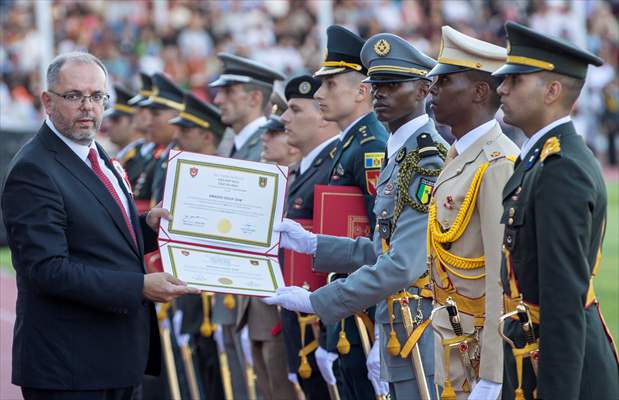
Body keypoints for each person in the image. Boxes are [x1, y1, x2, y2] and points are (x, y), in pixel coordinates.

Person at [0, 51, 199, 400]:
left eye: (97, 97)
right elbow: (48, 269)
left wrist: (147, 226)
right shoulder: (35, 168)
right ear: (47, 100)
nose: (88, 107)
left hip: (114, 359)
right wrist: (138, 286)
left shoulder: (92, 151)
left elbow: (97, 232)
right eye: (74, 96)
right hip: (70, 368)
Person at [267, 33, 447, 400]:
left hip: (416, 328)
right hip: (397, 323)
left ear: (423, 90)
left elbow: (402, 264)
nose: (381, 93)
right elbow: (383, 249)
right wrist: (315, 244)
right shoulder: (401, 151)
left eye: (393, 84)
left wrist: (320, 301)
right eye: (376, 83)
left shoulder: (424, 158)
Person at [492, 21, 619, 400]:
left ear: (551, 90)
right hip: (531, 358)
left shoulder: (562, 169)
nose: (501, 88)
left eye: (515, 80)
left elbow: (563, 304)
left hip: (562, 374)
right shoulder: (540, 159)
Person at [425, 26, 519, 400]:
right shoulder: (460, 155)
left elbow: (501, 276)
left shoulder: (497, 163)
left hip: (478, 353)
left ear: (480, 92)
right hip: (454, 343)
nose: (432, 90)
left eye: (444, 81)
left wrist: (493, 375)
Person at [211, 53, 295, 400]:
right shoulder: (238, 144)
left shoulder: (262, 145)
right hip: (246, 293)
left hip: (265, 292)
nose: (217, 100)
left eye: (228, 91)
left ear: (254, 98)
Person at [278, 74, 340, 399]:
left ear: (321, 115)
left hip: (325, 321)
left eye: (294, 109)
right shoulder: (304, 169)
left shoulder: (336, 166)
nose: (284, 118)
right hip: (300, 316)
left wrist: (332, 337)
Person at [170, 92, 228, 400]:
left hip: (219, 298)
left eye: (186, 130)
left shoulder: (226, 176)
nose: (176, 136)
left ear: (207, 135)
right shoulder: (184, 171)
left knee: (222, 380)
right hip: (190, 294)